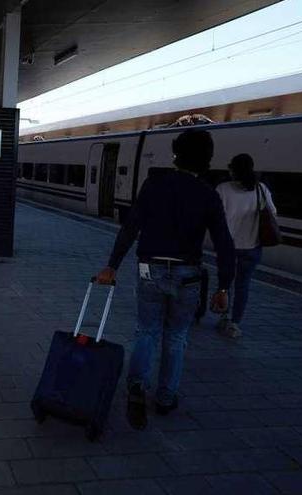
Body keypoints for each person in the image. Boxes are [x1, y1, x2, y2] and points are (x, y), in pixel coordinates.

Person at [95, 129, 235, 430]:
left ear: (175, 155)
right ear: (207, 160)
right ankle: (166, 397)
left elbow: (130, 227)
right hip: (188, 274)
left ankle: (136, 386)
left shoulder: (153, 184)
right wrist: (224, 286)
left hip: (150, 269)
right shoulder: (208, 195)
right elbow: (224, 243)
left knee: (146, 330)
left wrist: (112, 266)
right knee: (176, 336)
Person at [215, 153, 277, 339]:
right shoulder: (261, 189)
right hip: (252, 247)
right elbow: (273, 213)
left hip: (228, 247)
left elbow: (215, 218)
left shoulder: (222, 189)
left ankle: (223, 317)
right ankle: (235, 324)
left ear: (232, 169)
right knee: (243, 286)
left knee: (225, 284)